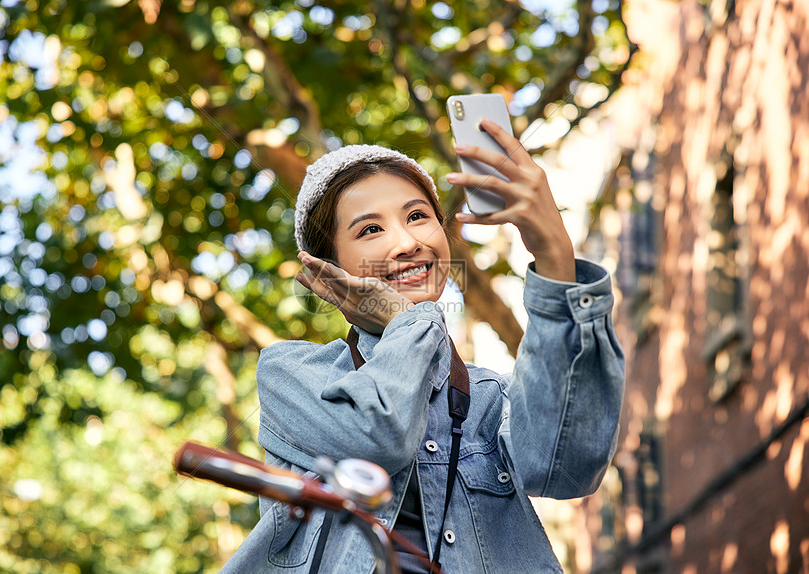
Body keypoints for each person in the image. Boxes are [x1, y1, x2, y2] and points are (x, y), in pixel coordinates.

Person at [220, 119, 625, 573]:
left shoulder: (493, 397)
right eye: (370, 230)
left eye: (417, 216)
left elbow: (568, 469)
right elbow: (381, 438)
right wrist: (410, 319)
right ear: (325, 272)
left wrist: (554, 258)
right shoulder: (292, 375)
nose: (407, 243)